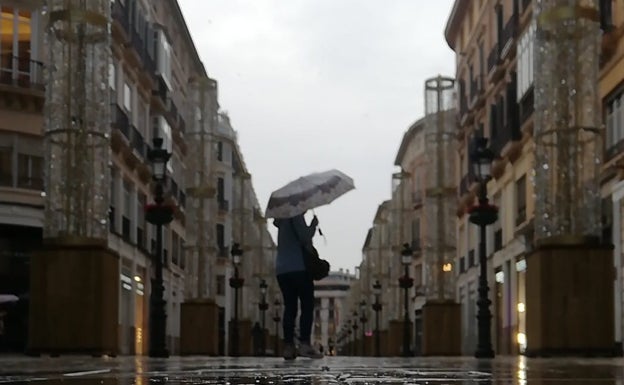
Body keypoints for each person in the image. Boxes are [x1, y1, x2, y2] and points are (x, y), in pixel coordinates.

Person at [274, 212, 323, 360]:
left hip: (282, 269)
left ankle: (288, 346)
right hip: (299, 268)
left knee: (290, 307)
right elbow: (304, 237)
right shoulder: (295, 215)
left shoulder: (281, 220)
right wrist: (313, 225)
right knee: (307, 305)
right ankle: (304, 344)